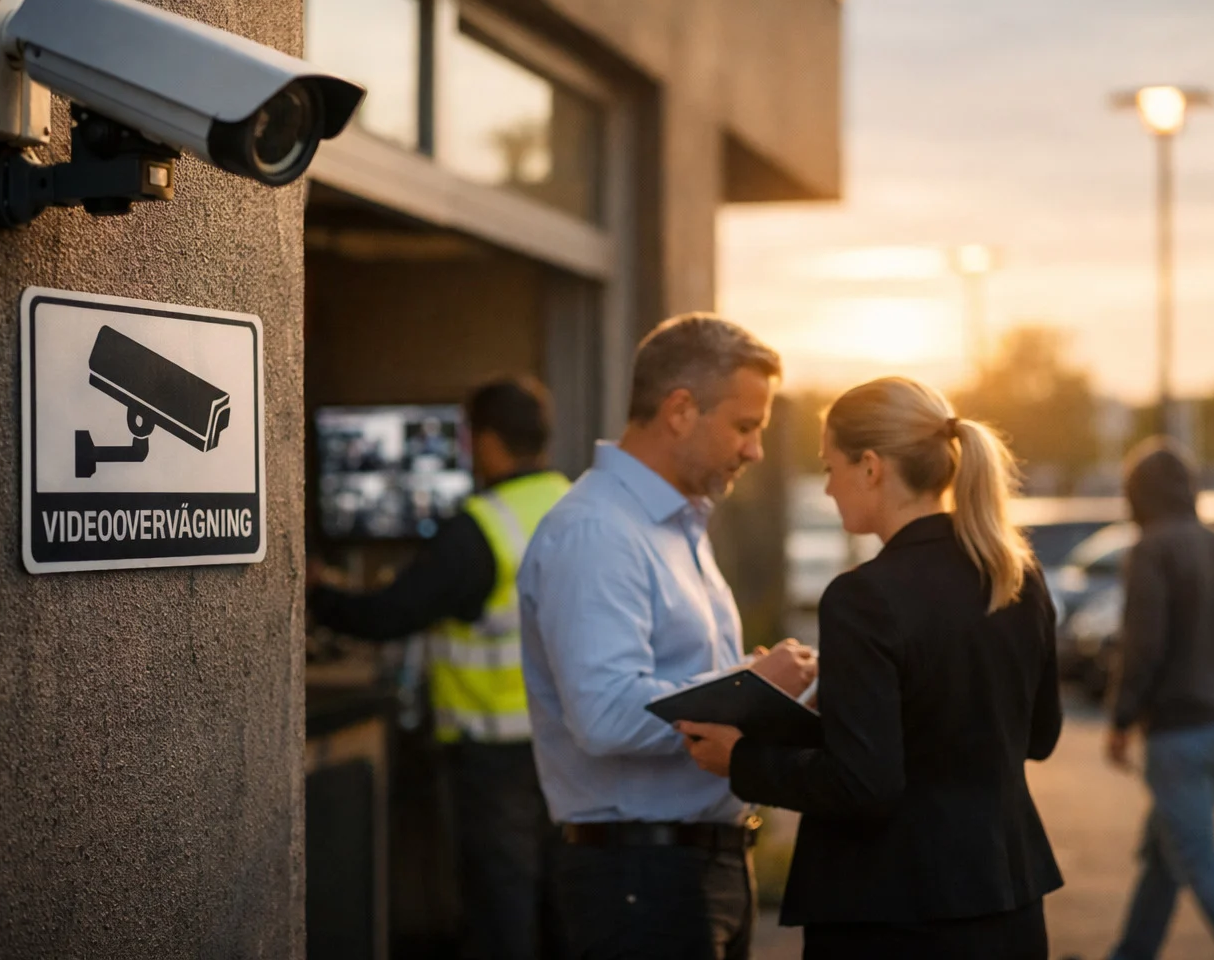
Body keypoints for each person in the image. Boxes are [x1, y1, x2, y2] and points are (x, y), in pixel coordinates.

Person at [679, 376, 1064, 960]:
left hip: (892, 914)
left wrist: (741, 759)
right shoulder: (1016, 574)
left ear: (871, 467)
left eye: (830, 467)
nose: (828, 488)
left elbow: (865, 784)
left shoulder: (864, 598)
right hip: (1006, 901)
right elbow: (1037, 736)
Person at [516, 314, 817, 960]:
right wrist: (750, 688)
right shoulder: (598, 533)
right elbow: (603, 715)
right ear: (680, 410)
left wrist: (752, 685)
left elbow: (669, 684)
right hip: (640, 880)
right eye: (745, 427)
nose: (755, 451)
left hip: (685, 872)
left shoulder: (674, 525)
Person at [308, 376, 571, 960]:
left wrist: (319, 592)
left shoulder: (480, 526)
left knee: (500, 902)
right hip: (568, 741)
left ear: (482, 440)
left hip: (493, 750)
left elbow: (391, 613)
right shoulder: (575, 504)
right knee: (560, 897)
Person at [1101, 438, 1214, 960]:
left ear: (1138, 495)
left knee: (1196, 858)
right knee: (1165, 855)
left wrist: (1121, 719)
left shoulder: (1152, 548)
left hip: (1181, 733)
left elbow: (1143, 645)